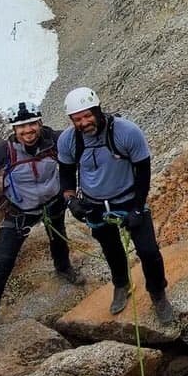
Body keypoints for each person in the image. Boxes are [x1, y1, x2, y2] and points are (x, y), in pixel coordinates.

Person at [0, 100, 83, 353]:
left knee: (58, 238)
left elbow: (83, 137)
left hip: (53, 202)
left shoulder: (55, 140)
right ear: (14, 130)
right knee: (1, 265)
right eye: (21, 127)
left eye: (32, 124)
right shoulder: (3, 151)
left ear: (40, 123)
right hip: (19, 212)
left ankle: (63, 268)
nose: (28, 131)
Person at [57, 86, 174, 324]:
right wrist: (71, 200)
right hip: (94, 204)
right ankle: (122, 284)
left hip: (128, 199)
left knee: (148, 251)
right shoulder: (68, 140)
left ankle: (158, 294)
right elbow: (66, 173)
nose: (84, 122)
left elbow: (143, 171)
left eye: (88, 115)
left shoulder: (126, 132)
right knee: (110, 248)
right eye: (77, 119)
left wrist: (138, 207)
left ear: (98, 110)